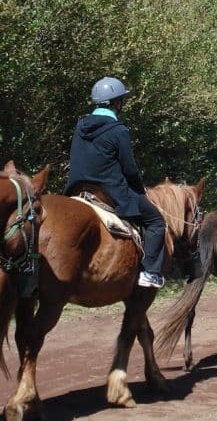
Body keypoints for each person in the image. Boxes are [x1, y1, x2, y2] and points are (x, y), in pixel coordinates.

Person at [65, 76, 167, 288]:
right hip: (109, 191)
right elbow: (129, 168)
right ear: (117, 103)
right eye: (121, 101)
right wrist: (140, 190)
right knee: (156, 221)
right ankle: (149, 272)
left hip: (77, 189)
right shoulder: (118, 130)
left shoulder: (80, 126)